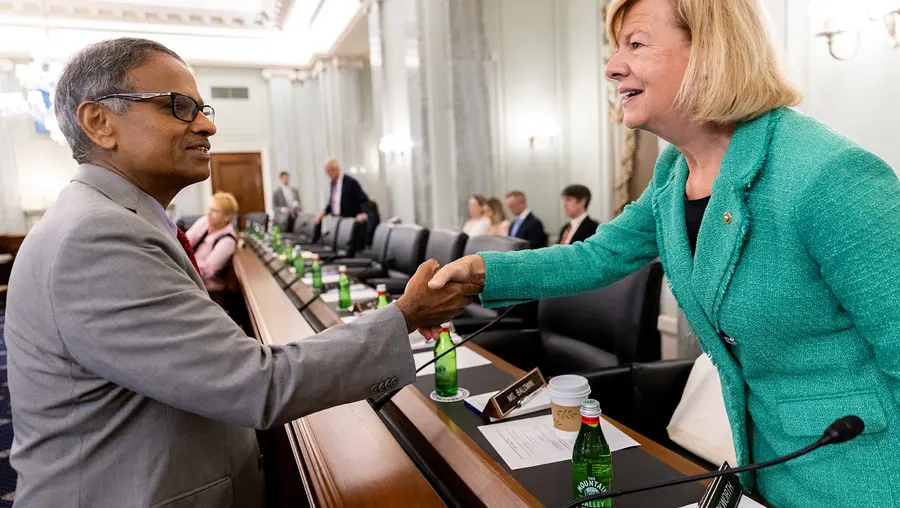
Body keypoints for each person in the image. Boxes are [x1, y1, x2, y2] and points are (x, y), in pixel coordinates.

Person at [423, 0, 900, 506]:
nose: (611, 66)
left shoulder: (832, 176)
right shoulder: (675, 172)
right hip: (768, 467)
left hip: (862, 474)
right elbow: (596, 257)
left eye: (636, 43)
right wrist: (480, 272)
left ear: (710, 51)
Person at [4, 38, 478, 508]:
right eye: (179, 106)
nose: (207, 124)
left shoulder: (113, 219)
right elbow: (255, 383)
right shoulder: (97, 236)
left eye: (203, 107)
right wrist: (405, 315)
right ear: (99, 122)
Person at [185, 191, 239, 293]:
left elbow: (206, 270)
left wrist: (181, 267)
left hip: (204, 289)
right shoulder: (205, 221)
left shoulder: (227, 241)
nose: (209, 213)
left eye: (215, 211)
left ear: (227, 216)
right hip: (188, 276)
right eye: (209, 209)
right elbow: (184, 242)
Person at [318, 158, 369, 223]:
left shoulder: (351, 182)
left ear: (337, 169)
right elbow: (334, 201)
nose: (328, 174)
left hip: (349, 221)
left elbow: (364, 200)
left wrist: (364, 213)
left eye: (329, 171)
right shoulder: (332, 183)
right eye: (326, 172)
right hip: (336, 220)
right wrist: (324, 212)